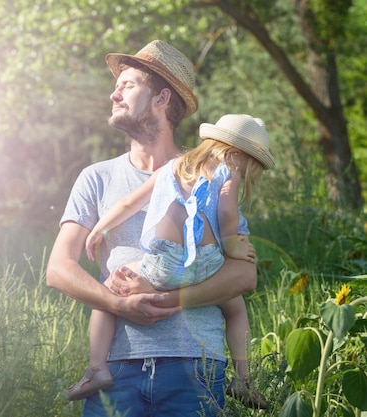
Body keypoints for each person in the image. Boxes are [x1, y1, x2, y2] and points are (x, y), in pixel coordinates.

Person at [46, 39, 258, 417]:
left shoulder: (208, 174)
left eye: (127, 85)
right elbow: (58, 269)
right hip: (117, 368)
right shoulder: (97, 177)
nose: (114, 93)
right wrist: (119, 304)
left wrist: (168, 300)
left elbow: (243, 275)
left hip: (195, 368)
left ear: (161, 99)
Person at [67, 114, 273, 410]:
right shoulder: (229, 169)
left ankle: (97, 368)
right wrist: (233, 247)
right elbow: (228, 213)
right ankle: (243, 377)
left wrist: (102, 227)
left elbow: (128, 203)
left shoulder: (174, 167)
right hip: (206, 266)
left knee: (110, 287)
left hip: (166, 261)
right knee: (236, 307)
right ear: (235, 153)